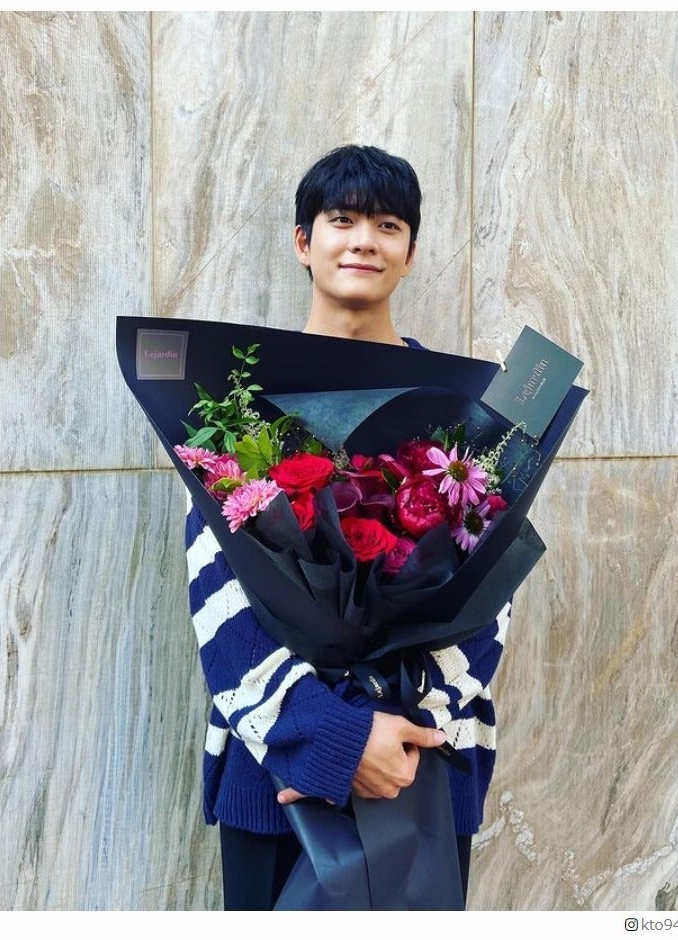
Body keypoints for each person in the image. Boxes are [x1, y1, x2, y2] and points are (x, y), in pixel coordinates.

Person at [184, 145, 512, 910]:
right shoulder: (240, 407)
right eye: (342, 220)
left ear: (410, 253)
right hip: (274, 771)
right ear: (304, 242)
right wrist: (329, 736)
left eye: (388, 225)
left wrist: (396, 727)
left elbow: (493, 592)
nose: (364, 240)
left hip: (421, 767)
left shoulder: (464, 409)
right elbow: (217, 597)